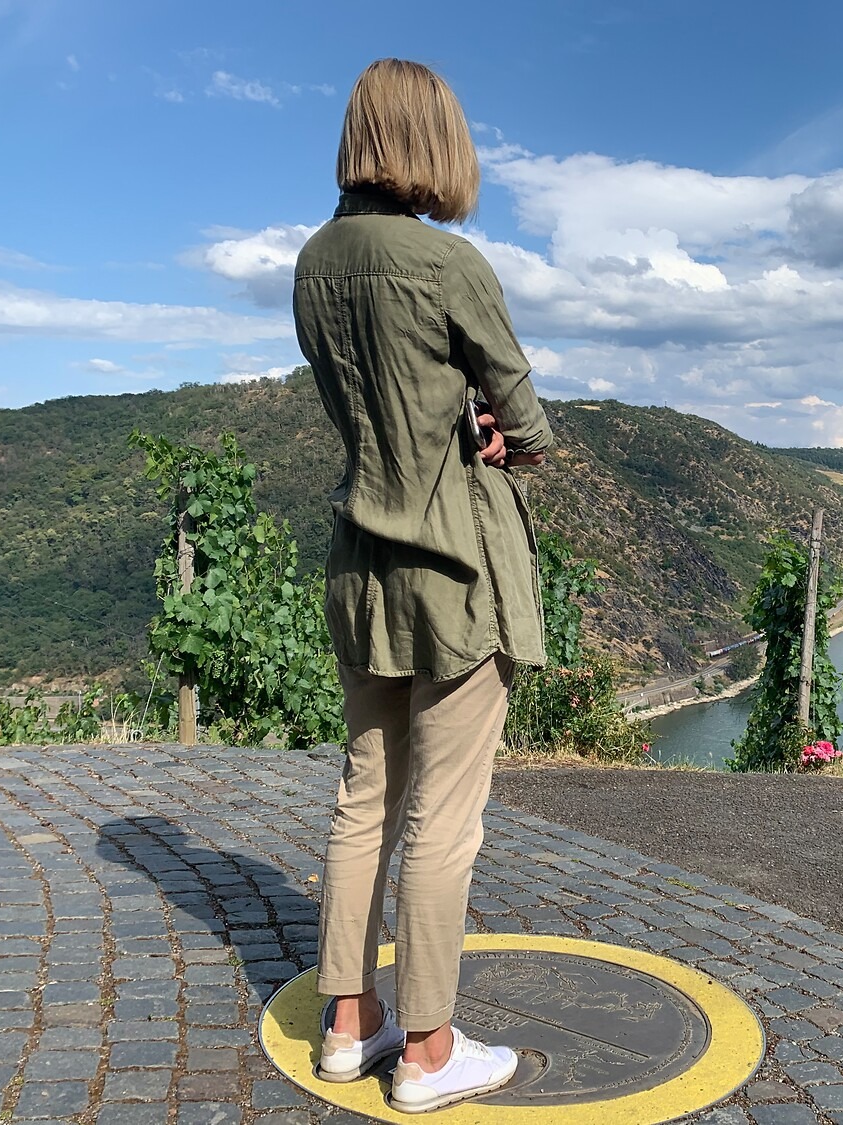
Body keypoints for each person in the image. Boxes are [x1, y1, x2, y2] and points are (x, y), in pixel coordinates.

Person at [291, 57, 552, 1114]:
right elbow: (525, 421)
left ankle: (348, 1023)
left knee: (365, 798)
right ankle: (433, 1052)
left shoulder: (312, 264)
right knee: (445, 820)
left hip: (363, 564)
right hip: (456, 569)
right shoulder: (449, 263)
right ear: (434, 144)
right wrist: (497, 434)